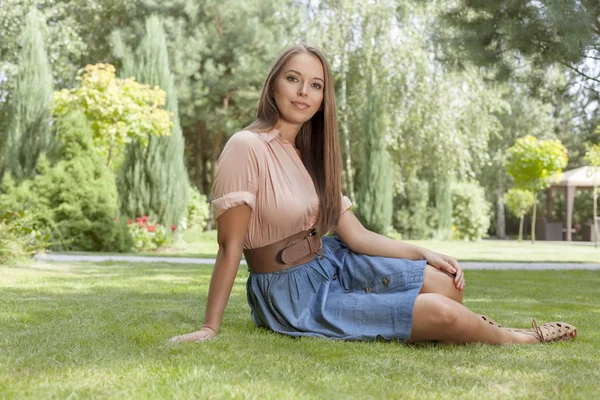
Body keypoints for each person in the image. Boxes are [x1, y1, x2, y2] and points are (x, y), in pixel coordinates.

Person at [170, 44, 576, 345]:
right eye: (293, 79)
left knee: (446, 285)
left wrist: (423, 251)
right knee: (437, 310)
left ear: (323, 98)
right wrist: (210, 327)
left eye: (315, 85)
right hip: (290, 290)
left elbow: (357, 236)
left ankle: (457, 323)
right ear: (274, 83)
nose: (303, 92)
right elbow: (230, 246)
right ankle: (516, 337)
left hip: (330, 260)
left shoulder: (311, 154)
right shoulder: (246, 146)